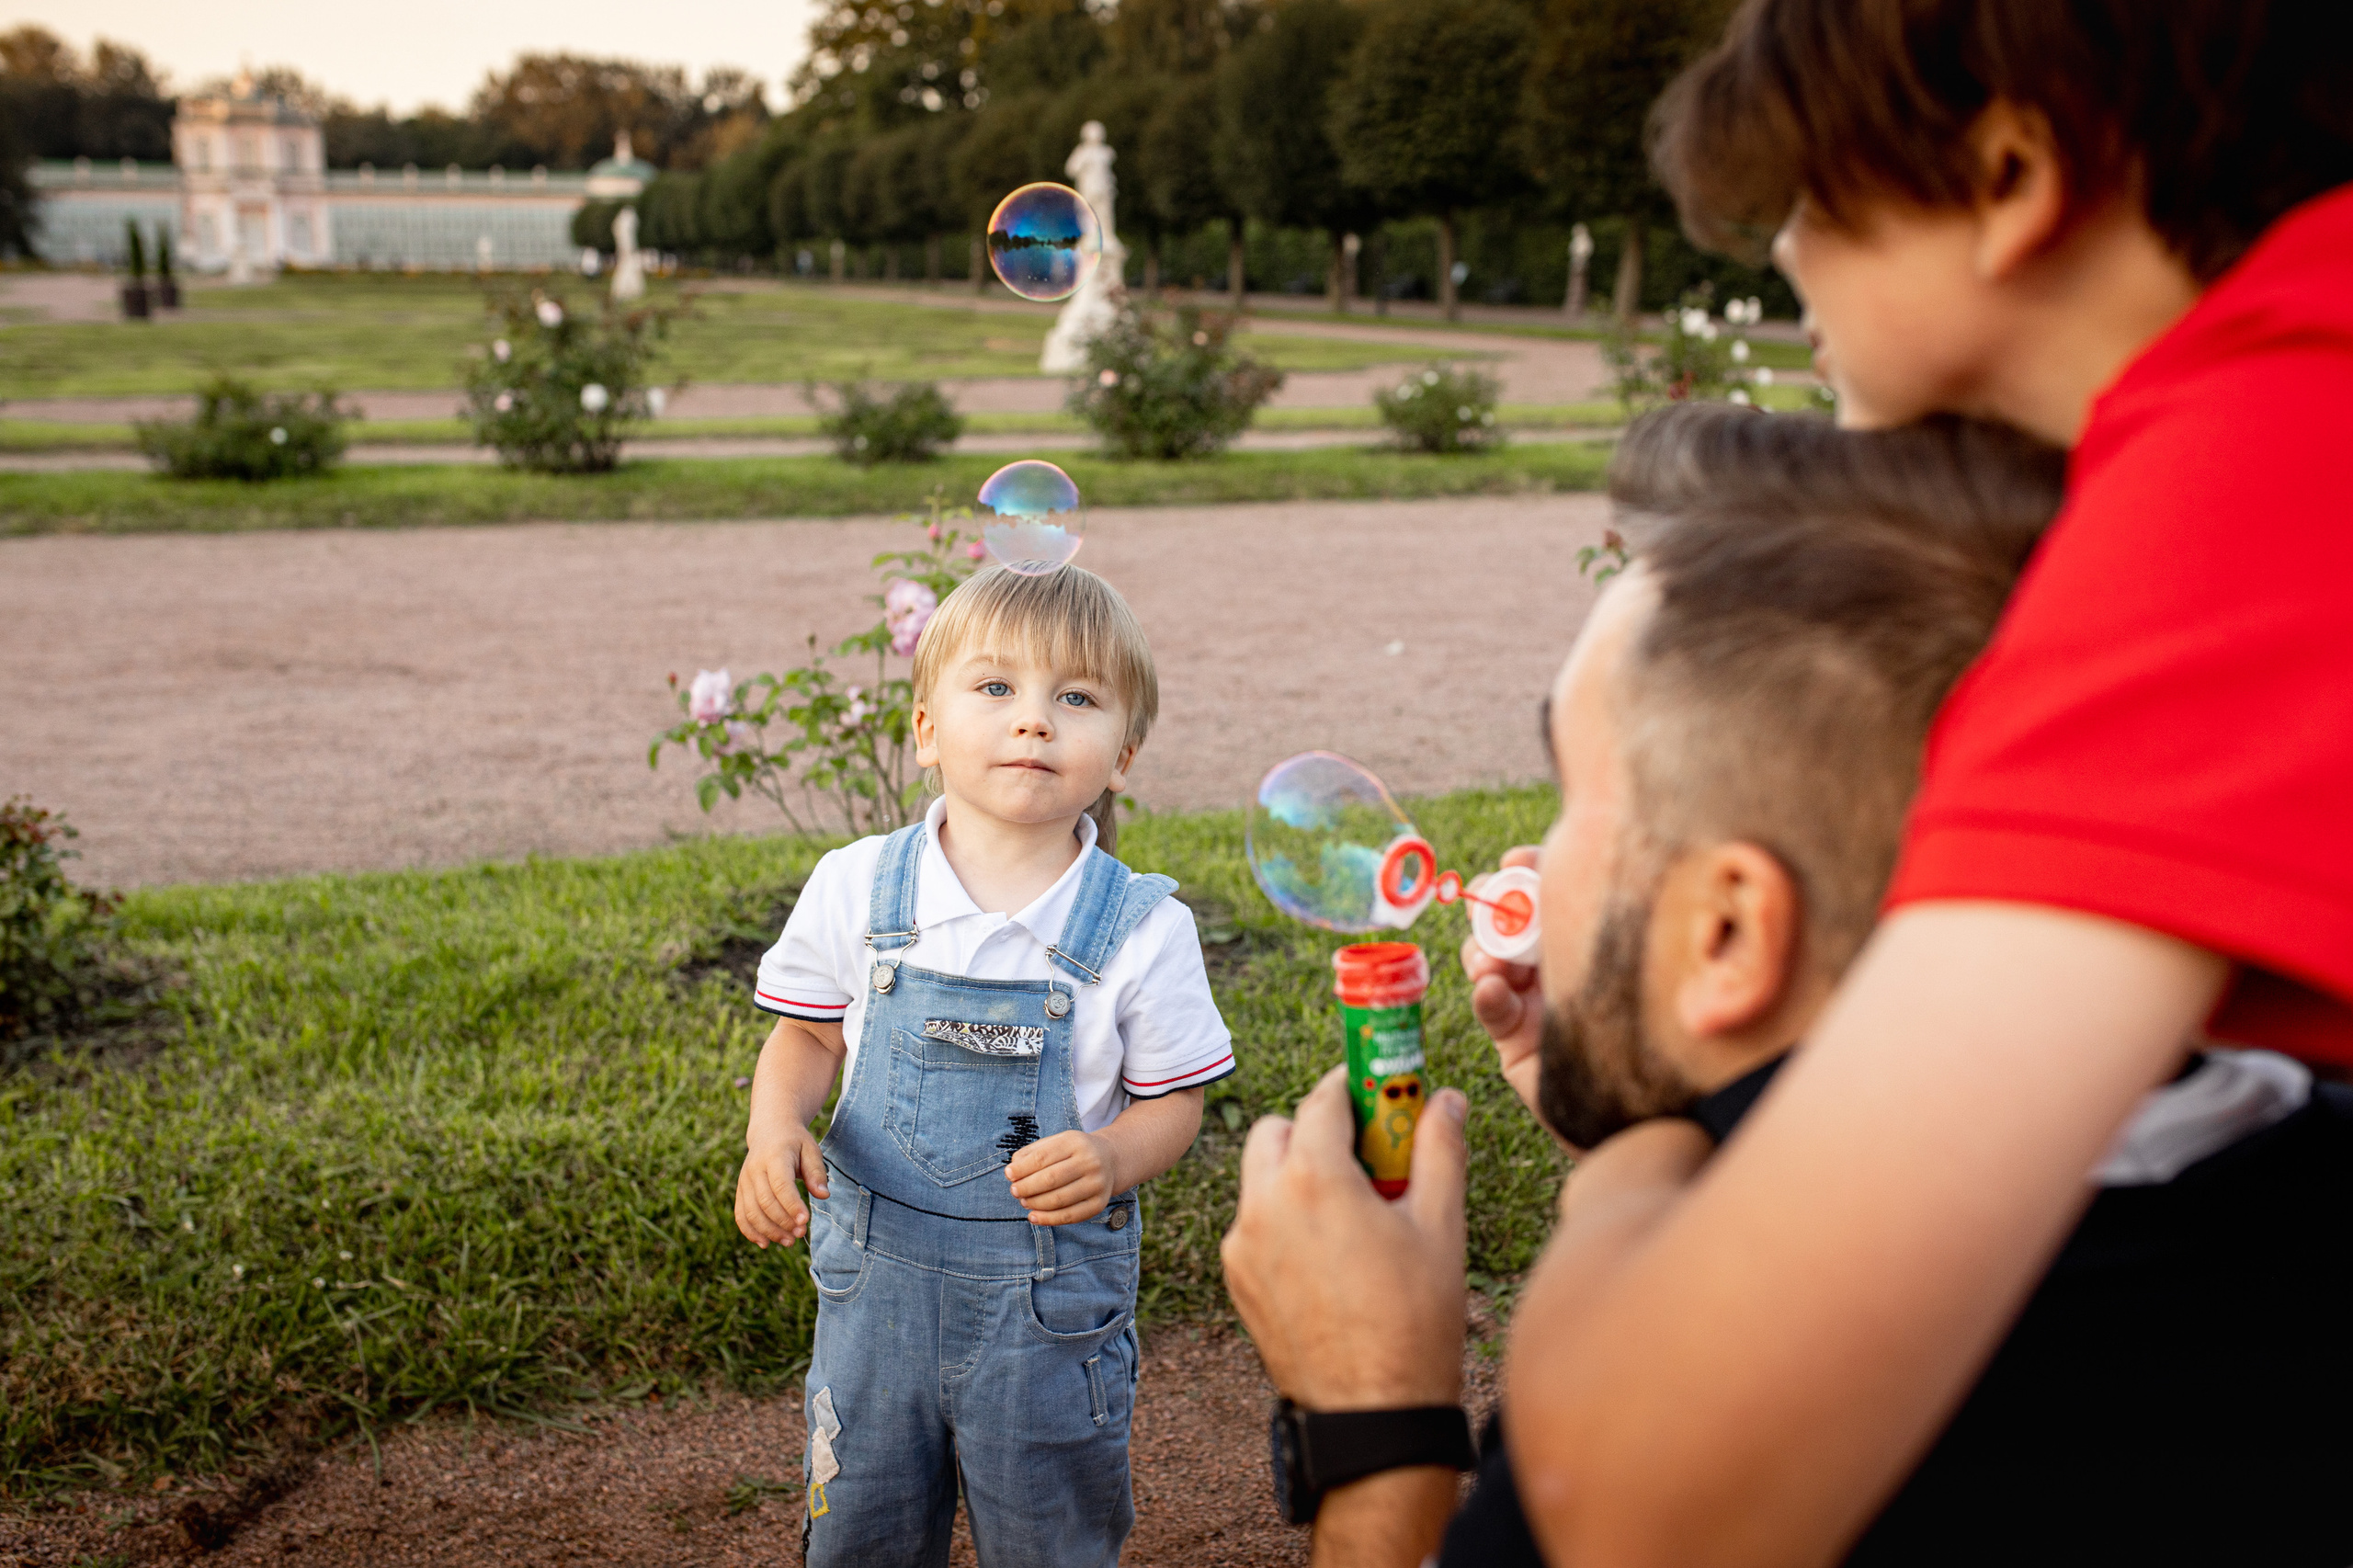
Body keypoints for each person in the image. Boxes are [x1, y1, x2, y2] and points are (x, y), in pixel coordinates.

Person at [1221, 3, 2353, 1561]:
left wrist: (1384, 1410)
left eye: (1808, 202)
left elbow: (1638, 1495)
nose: (1783, 262)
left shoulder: (2261, 474)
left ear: (2012, 175)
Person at [1429, 404, 2353, 1564]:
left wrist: (1369, 1416)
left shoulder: (1674, 1429)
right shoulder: (2301, 1135)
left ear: (1726, 929)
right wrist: (1665, 1109)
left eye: (1569, 796)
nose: (1535, 858)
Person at [733, 563, 1234, 1567]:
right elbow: (810, 1032)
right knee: (862, 1525)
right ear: (925, 729)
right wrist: (774, 1126)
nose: (1034, 722)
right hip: (874, 1300)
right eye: (996, 688)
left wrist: (1111, 1154)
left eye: (1076, 697)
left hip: (1045, 1315)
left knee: (1050, 1535)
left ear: (1123, 754)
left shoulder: (1143, 928)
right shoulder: (859, 885)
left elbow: (1173, 1099)